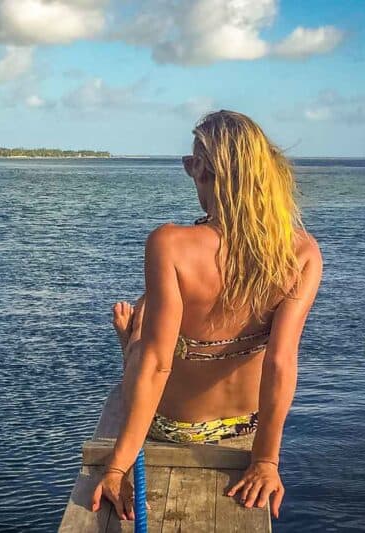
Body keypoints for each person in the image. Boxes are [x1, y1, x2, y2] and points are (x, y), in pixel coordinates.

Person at [90, 110, 323, 522]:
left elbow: (159, 365)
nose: (188, 172)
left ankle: (131, 344)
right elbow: (281, 361)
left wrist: (116, 466)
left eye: (191, 163)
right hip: (242, 427)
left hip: (169, 424)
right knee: (154, 331)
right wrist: (266, 460)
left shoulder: (171, 244)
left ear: (204, 170)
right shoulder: (302, 253)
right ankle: (136, 340)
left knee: (146, 339)